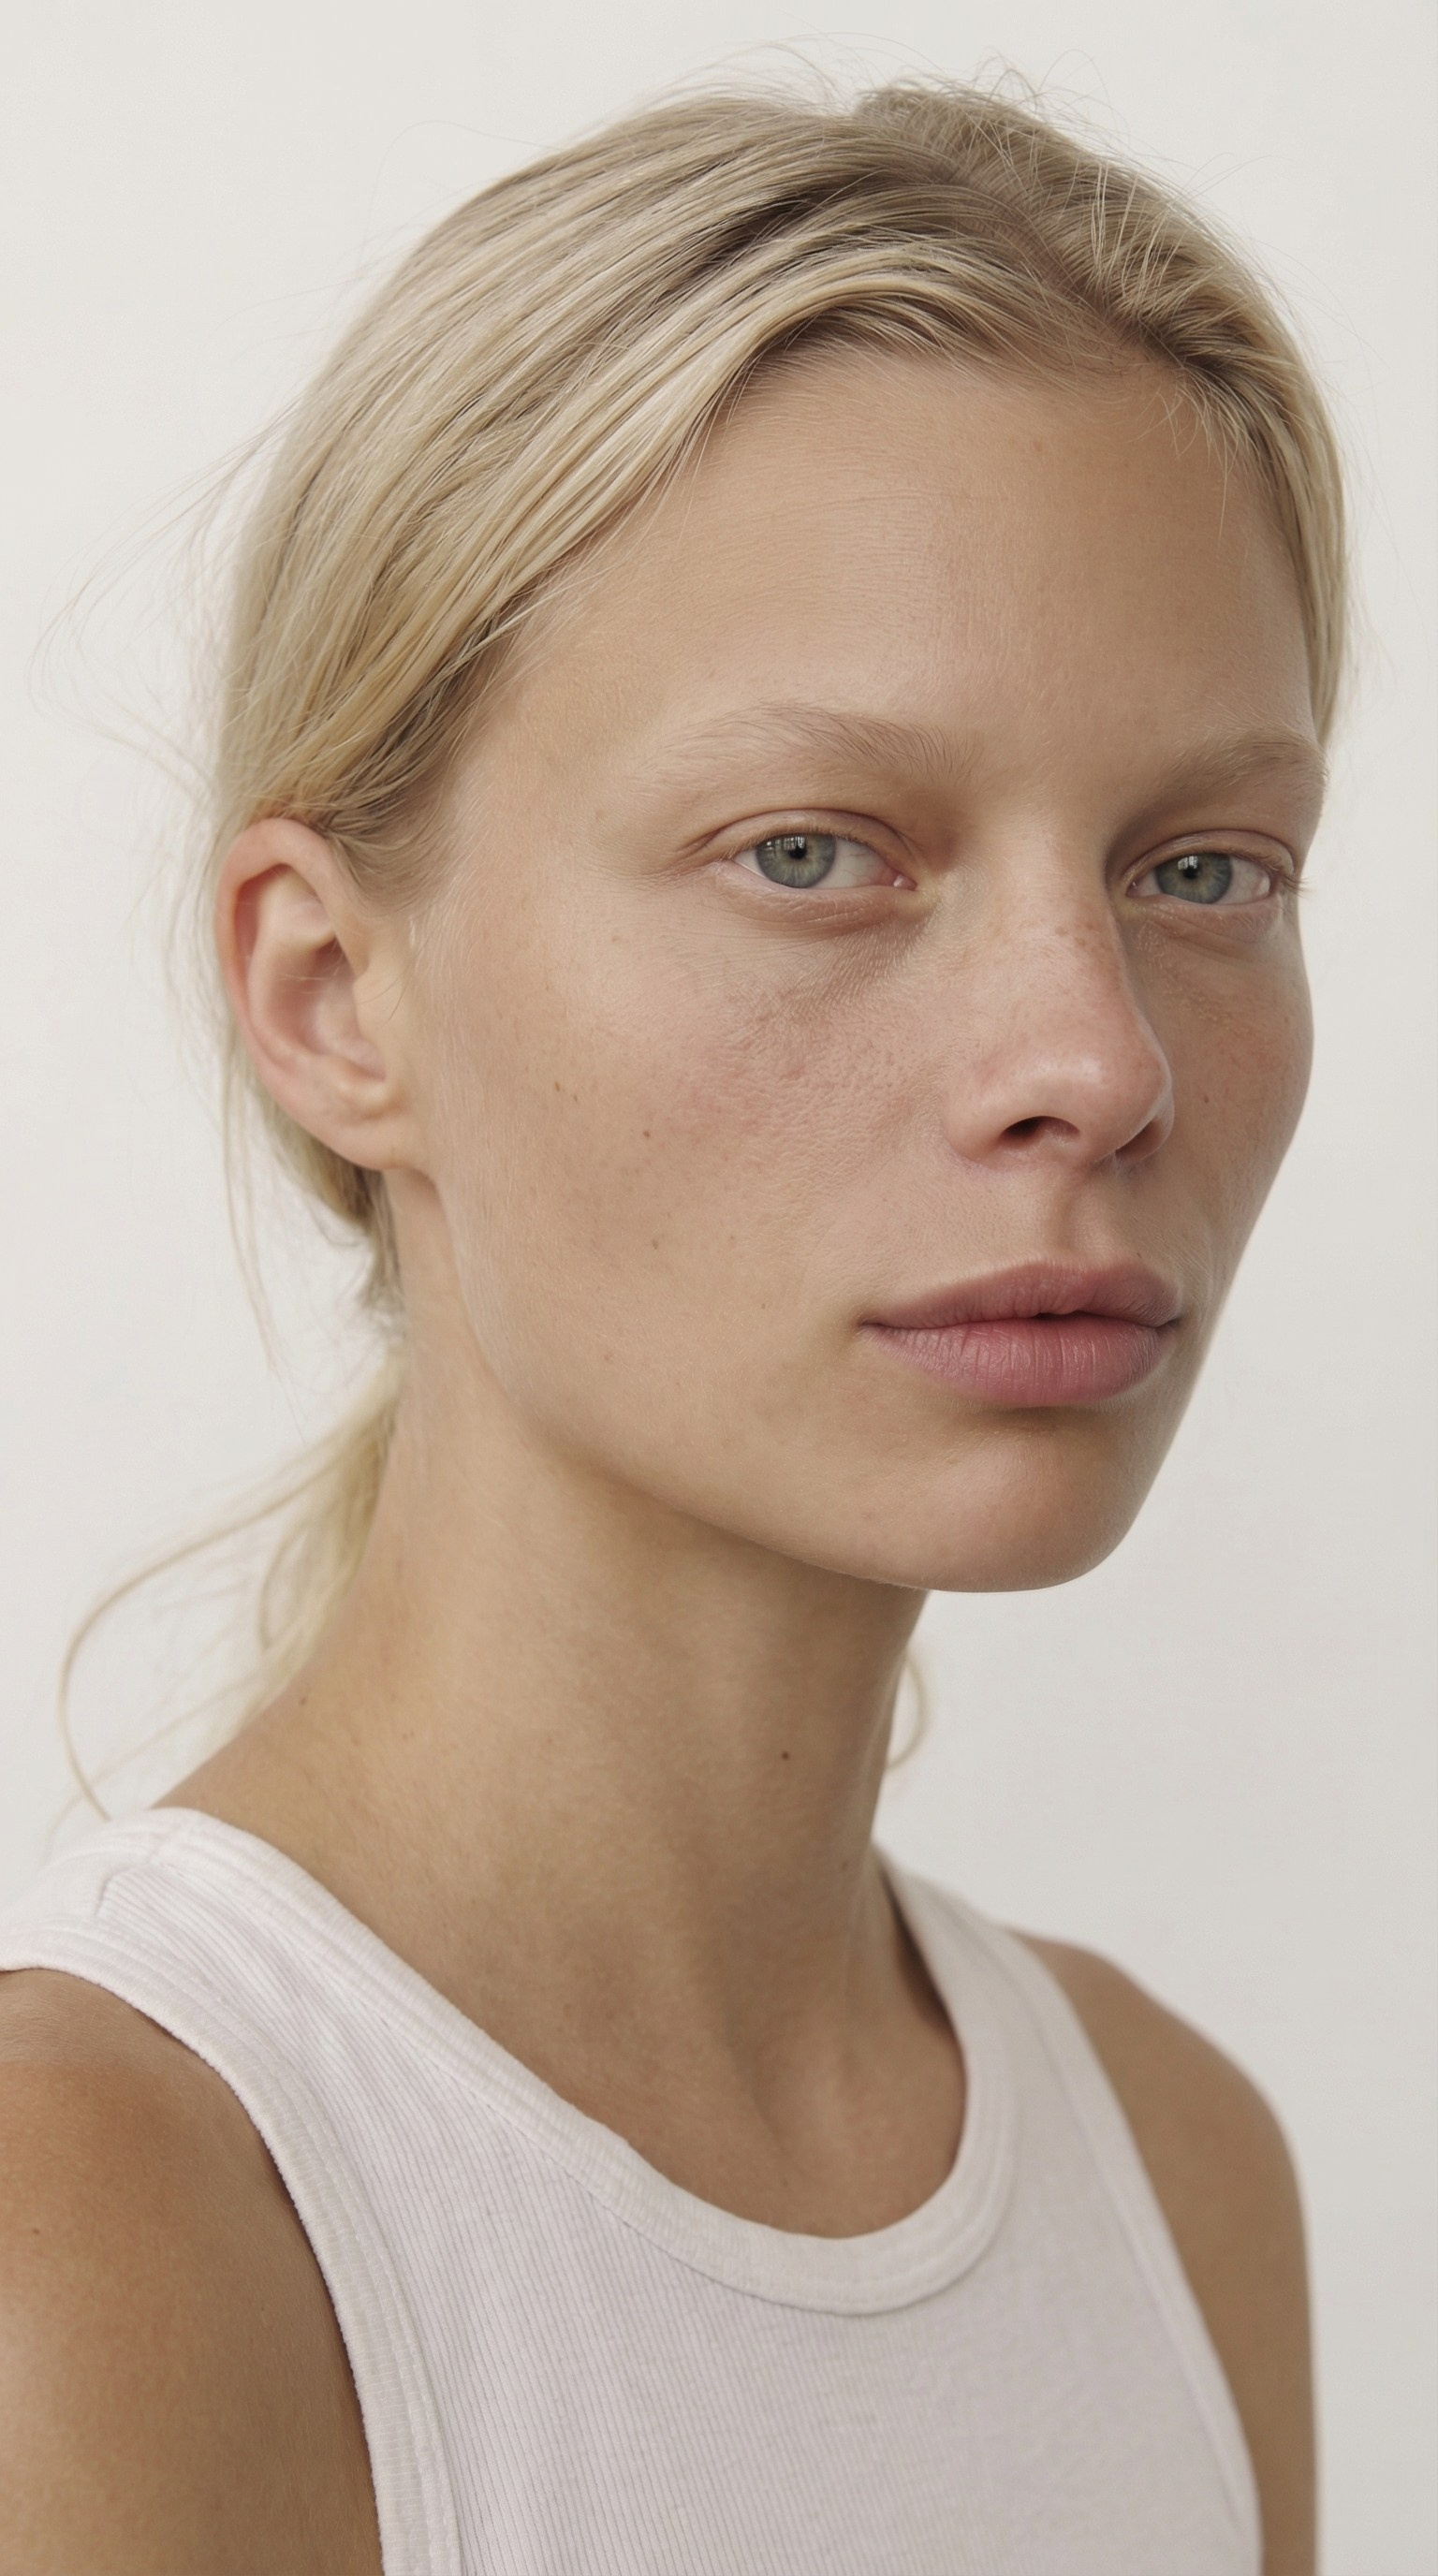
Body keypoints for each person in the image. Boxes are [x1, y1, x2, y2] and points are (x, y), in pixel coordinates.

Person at [0, 74, 1343, 2576]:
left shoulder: (1181, 2184)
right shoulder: (100, 2238)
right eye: (815, 851)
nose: (1096, 1059)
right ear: (333, 995)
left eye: (1203, 869)